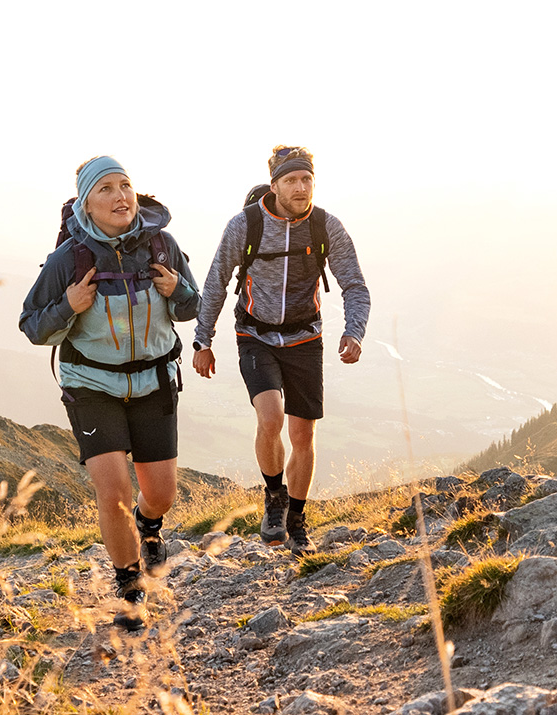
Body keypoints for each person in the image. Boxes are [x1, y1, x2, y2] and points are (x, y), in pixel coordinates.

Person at [20, 156, 200, 631]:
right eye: (106, 188)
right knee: (114, 490)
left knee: (160, 494)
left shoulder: (163, 245)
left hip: (154, 381)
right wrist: (68, 305)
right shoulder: (69, 260)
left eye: (126, 185)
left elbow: (192, 307)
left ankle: (150, 526)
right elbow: (32, 325)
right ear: (86, 203)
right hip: (91, 384)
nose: (121, 196)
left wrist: (177, 289)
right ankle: (128, 587)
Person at [192, 146, 370, 556]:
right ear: (274, 186)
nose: (300, 187)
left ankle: (297, 519)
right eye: (291, 180)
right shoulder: (246, 225)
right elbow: (216, 282)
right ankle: (275, 497)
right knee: (270, 418)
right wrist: (203, 341)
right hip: (255, 334)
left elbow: (355, 284)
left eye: (307, 179)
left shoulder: (326, 226)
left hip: (305, 337)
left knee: (303, 433)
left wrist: (354, 332)